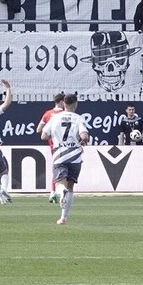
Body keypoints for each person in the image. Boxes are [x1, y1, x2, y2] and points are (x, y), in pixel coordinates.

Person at [41, 92, 90, 226]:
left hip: (59, 155)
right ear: (76, 104)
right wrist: (83, 140)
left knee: (60, 184)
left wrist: (56, 136)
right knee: (70, 187)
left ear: (64, 103)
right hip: (75, 157)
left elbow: (44, 136)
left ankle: (60, 191)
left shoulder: (55, 118)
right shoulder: (78, 118)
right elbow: (84, 135)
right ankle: (63, 218)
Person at [39, 92, 66, 203]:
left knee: (56, 168)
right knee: (64, 170)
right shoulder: (66, 114)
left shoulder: (47, 114)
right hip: (65, 146)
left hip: (52, 146)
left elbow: (38, 130)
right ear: (61, 102)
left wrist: (51, 134)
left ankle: (53, 192)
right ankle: (60, 192)